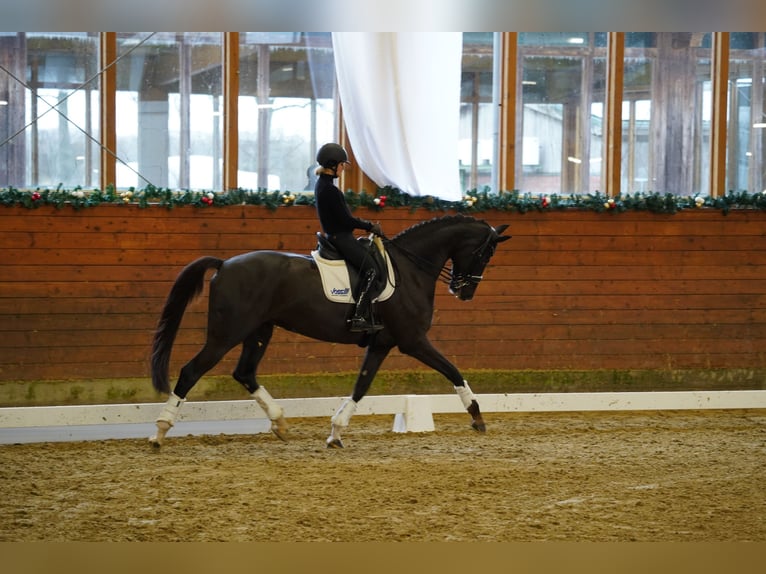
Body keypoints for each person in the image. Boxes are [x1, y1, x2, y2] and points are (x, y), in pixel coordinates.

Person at [314, 142, 384, 333]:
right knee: (371, 270)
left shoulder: (323, 185)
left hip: (336, 236)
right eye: (342, 164)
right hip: (341, 237)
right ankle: (359, 316)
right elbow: (345, 220)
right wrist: (369, 226)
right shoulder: (330, 190)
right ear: (332, 164)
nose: (343, 168)